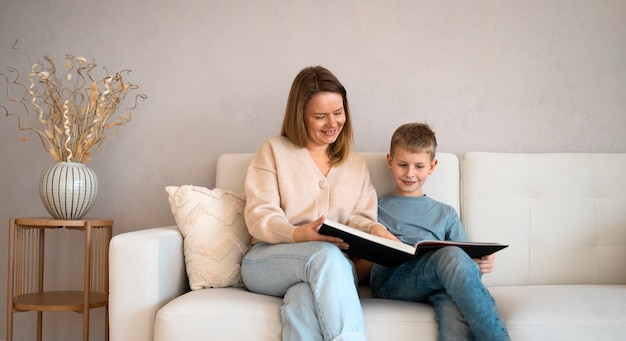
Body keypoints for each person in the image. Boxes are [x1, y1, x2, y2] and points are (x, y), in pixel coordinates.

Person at [241, 66, 393, 341]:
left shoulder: (355, 165)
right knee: (324, 254)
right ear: (300, 117)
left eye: (338, 113)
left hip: (327, 270)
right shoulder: (274, 150)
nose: (332, 123)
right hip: (267, 260)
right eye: (320, 116)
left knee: (302, 299)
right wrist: (298, 233)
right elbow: (259, 214)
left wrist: (375, 231)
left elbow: (361, 218)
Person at [369, 122, 510, 341]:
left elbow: (466, 272)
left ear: (432, 166)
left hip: (438, 282)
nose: (410, 173)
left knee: (452, 302)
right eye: (402, 164)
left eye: (419, 166)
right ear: (390, 161)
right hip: (391, 279)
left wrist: (480, 263)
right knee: (451, 256)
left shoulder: (445, 213)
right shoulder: (375, 207)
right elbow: (359, 260)